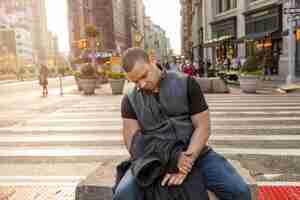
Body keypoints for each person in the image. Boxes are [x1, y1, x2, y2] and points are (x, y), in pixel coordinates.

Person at [113, 48, 251, 200]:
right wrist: (171, 159)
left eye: (144, 76)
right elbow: (133, 143)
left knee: (240, 191)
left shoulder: (187, 83)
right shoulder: (129, 99)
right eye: (135, 81)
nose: (142, 84)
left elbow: (203, 127)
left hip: (195, 153)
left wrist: (186, 163)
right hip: (153, 159)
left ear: (152, 60)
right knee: (123, 194)